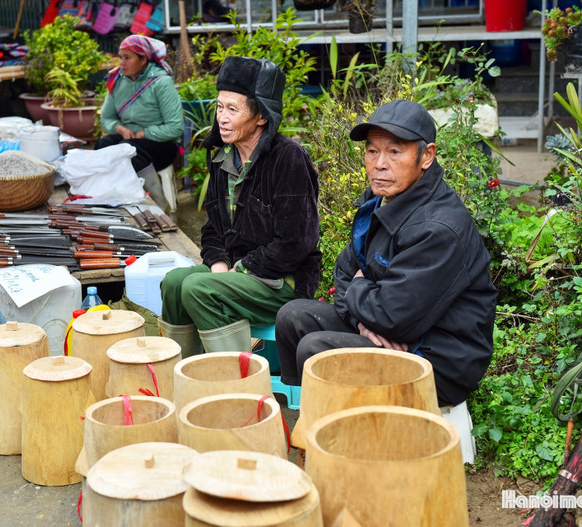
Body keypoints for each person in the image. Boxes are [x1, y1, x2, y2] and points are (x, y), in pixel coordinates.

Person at [275, 100, 497, 407]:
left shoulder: (438, 228)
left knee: (318, 349)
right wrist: (365, 321)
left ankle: (351, 438)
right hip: (395, 333)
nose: (379, 163)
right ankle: (319, 416)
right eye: (372, 151)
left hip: (437, 360)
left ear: (426, 156)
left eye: (395, 151)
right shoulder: (381, 199)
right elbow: (344, 271)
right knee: (293, 316)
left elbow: (393, 318)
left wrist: (360, 290)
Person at [158, 56, 321, 356]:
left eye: (233, 109)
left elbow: (297, 242)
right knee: (173, 283)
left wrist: (240, 269)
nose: (222, 117)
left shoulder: (288, 158)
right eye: (220, 106)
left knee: (197, 288)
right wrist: (219, 265)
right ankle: (186, 372)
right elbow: (213, 229)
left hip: (280, 281)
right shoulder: (222, 158)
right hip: (235, 273)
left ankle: (234, 380)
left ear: (261, 116)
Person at [97, 35, 183, 175]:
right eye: (120, 57)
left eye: (127, 58)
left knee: (126, 151)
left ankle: (140, 195)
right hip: (129, 139)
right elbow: (106, 118)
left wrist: (145, 133)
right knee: (104, 145)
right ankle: (108, 193)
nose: (122, 63)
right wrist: (120, 129)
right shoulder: (117, 82)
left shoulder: (161, 83)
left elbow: (175, 127)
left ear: (143, 59)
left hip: (162, 145)